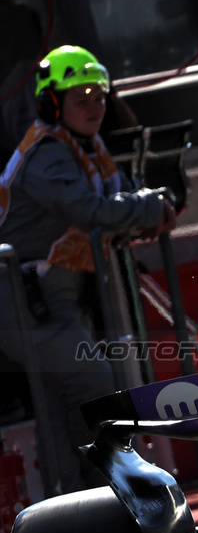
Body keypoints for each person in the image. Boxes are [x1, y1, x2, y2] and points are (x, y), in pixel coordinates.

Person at [0, 45, 176, 494]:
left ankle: (75, 506)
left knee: (59, 408)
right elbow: (90, 209)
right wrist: (150, 207)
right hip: (23, 303)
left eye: (99, 96)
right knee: (101, 389)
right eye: (82, 98)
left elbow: (123, 194)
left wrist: (153, 203)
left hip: (51, 300)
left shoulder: (86, 146)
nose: (95, 106)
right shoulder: (46, 155)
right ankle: (120, 496)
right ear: (52, 104)